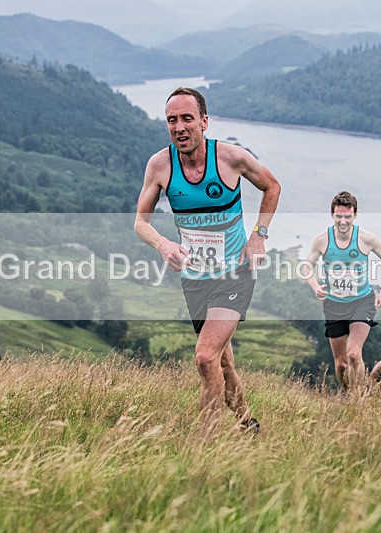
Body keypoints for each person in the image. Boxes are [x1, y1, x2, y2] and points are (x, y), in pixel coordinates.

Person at [134, 87, 281, 434]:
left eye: (187, 118)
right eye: (172, 120)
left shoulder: (232, 158)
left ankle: (203, 445)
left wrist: (258, 235)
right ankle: (248, 424)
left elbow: (272, 186)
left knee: (204, 357)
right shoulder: (160, 165)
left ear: (204, 121)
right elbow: (140, 223)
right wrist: (163, 245)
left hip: (234, 273)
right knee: (223, 362)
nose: (179, 127)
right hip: (195, 278)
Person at [303, 191, 381, 391]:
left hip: (361, 301)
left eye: (347, 216)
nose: (343, 221)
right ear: (332, 215)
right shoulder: (322, 240)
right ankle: (350, 392)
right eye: (339, 216)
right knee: (341, 363)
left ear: (355, 215)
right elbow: (306, 266)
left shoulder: (367, 239)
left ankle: (357, 399)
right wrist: (315, 286)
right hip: (334, 304)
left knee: (354, 354)